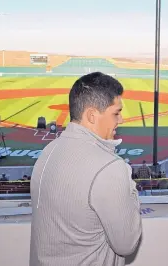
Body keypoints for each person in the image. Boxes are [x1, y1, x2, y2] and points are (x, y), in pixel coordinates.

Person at [30, 72, 142, 266]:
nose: (121, 120)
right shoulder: (110, 167)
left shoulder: (49, 151)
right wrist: (129, 185)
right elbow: (127, 243)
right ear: (91, 115)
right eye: (116, 113)